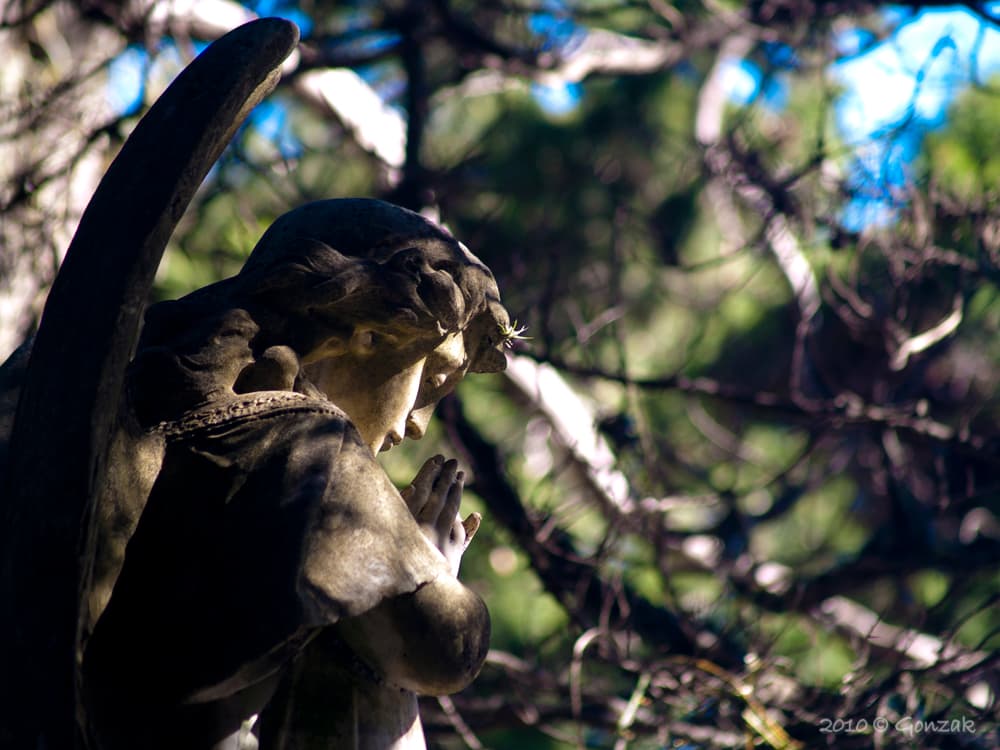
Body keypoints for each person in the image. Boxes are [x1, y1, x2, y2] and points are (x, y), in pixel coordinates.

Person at [82, 198, 513, 749]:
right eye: (430, 381)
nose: (417, 425)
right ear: (372, 332)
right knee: (368, 660)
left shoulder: (138, 373)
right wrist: (433, 561)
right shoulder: (313, 446)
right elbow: (444, 650)